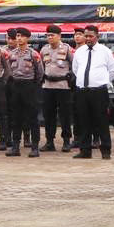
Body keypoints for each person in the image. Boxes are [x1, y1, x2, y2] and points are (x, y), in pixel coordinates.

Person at [72, 24, 114, 159]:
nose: (88, 38)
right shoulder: (79, 52)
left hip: (99, 91)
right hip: (82, 91)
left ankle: (105, 150)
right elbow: (76, 69)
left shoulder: (105, 51)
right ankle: (85, 150)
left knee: (101, 121)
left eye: (91, 36)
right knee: (83, 121)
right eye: (86, 36)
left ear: (97, 36)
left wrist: (103, 81)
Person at [6, 27, 44, 158]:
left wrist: (33, 85)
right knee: (16, 117)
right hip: (16, 85)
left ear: (27, 38)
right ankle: (15, 147)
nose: (19, 38)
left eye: (22, 36)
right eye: (17, 36)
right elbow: (8, 70)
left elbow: (40, 73)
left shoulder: (33, 54)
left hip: (29, 86)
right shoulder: (11, 54)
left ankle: (35, 147)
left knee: (32, 118)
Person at [39, 25, 74, 153]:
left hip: (63, 86)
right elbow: (41, 67)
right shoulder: (44, 50)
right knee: (48, 115)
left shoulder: (67, 48)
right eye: (48, 35)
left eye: (52, 35)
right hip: (48, 86)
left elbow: (74, 64)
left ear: (59, 36)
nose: (50, 37)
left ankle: (66, 141)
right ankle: (49, 142)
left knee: (64, 115)